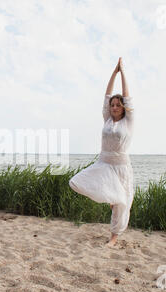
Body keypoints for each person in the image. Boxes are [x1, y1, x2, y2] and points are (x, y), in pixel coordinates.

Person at [69, 57, 135, 248]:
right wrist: (113, 72)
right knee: (76, 181)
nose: (114, 107)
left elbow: (127, 96)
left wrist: (122, 72)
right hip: (104, 164)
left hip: (121, 166)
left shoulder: (128, 121)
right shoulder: (107, 119)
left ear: (123, 107)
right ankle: (110, 198)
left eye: (117, 105)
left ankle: (113, 239)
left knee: (122, 205)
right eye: (112, 105)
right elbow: (106, 95)